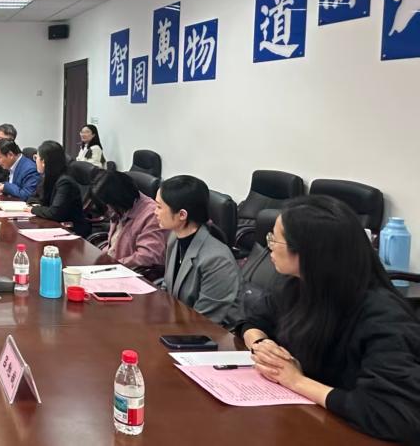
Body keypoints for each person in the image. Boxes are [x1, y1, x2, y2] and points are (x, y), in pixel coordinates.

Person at [241, 196, 420, 443]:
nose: (268, 245)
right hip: (308, 421)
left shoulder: (383, 317)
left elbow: (393, 415)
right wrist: (261, 345)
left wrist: (297, 381)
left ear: (308, 252)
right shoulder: (296, 285)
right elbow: (253, 322)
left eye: (275, 239)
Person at [155, 175, 241, 325]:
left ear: (182, 215)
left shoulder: (217, 260)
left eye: (159, 207)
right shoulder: (174, 238)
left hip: (202, 332)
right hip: (176, 323)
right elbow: (167, 287)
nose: (154, 211)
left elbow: (205, 320)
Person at [90, 171, 168, 270]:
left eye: (110, 204)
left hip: (130, 272)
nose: (109, 209)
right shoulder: (122, 207)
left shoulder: (152, 215)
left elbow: (149, 256)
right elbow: (114, 244)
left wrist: (114, 265)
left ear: (119, 198)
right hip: (114, 266)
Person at [25, 140, 89, 236]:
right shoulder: (48, 177)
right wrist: (36, 205)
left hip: (70, 230)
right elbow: (32, 198)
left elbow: (55, 213)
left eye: (36, 157)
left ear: (43, 162)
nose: (35, 161)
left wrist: (33, 209)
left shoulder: (65, 182)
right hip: (53, 225)